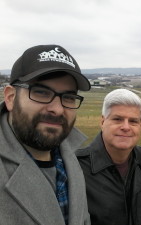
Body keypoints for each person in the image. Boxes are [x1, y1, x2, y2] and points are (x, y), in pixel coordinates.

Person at [0, 44, 91, 225]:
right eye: (41, 92)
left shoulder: (70, 158)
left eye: (69, 97)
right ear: (10, 97)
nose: (57, 109)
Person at [76, 88, 141, 225]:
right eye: (117, 119)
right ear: (102, 122)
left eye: (133, 121)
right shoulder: (75, 168)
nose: (125, 127)